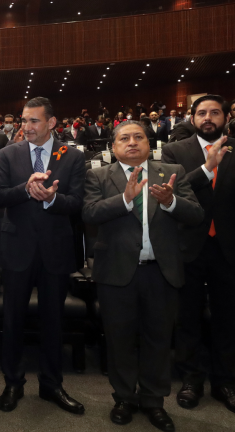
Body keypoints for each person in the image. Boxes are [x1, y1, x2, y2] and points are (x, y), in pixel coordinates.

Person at [83, 121, 203, 431]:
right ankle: (124, 398)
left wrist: (170, 201)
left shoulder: (170, 171)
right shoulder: (98, 175)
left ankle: (153, 400)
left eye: (139, 137)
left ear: (150, 144)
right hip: (116, 274)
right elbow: (90, 213)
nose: (133, 142)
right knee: (119, 340)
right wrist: (125, 198)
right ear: (114, 146)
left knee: (159, 339)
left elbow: (195, 214)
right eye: (125, 138)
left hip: (160, 272)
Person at [0, 97, 86, 415]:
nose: (26, 126)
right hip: (16, 249)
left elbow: (77, 203)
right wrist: (25, 189)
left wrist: (51, 199)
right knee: (14, 319)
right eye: (24, 120)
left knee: (53, 321)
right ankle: (13, 382)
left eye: (33, 121)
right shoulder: (8, 153)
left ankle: (51, 384)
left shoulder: (71, 156)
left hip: (55, 251)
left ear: (51, 123)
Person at [161, 95, 235, 414]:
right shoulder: (175, 150)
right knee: (187, 316)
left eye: (214, 112)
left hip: (229, 247)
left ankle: (225, 381)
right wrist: (207, 169)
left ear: (227, 117)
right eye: (201, 113)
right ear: (192, 119)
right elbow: (172, 192)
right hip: (188, 245)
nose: (208, 117)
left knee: (228, 317)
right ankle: (191, 379)